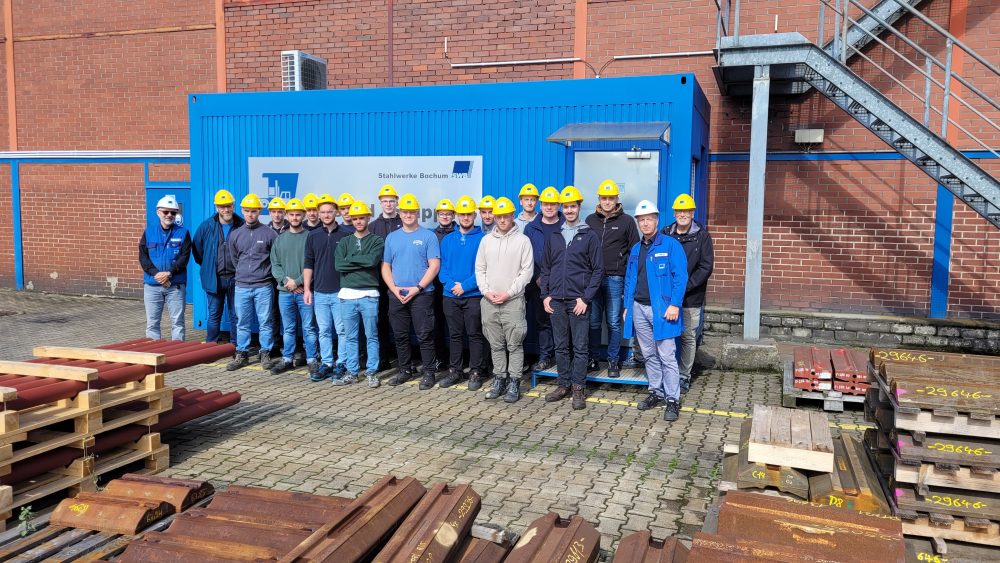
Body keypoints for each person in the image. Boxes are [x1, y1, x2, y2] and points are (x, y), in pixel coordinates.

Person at [539, 186, 603, 410]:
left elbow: (597, 270)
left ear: (578, 207)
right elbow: (546, 268)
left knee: (580, 346)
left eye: (572, 206)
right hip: (556, 299)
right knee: (560, 346)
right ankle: (563, 383)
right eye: (565, 207)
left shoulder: (589, 236)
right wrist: (545, 295)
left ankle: (578, 387)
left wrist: (585, 298)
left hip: (578, 301)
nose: (569, 210)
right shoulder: (554, 236)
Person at [624, 200, 688, 422]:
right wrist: (626, 307)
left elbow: (681, 277)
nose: (645, 223)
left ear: (657, 220)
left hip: (662, 310)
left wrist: (675, 304)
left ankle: (672, 399)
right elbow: (630, 279)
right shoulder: (635, 248)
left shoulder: (671, 245)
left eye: (649, 219)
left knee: (667, 355)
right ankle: (656, 392)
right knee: (649, 354)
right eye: (641, 220)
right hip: (639, 308)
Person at [476, 197, 534, 403]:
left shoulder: (523, 241)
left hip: (513, 302)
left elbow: (526, 272)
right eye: (498, 216)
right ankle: (499, 378)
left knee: (514, 344)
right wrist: (486, 291)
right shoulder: (486, 241)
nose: (501, 220)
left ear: (512, 216)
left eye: (505, 216)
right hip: (489, 301)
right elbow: (480, 269)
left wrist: (509, 293)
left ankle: (514, 382)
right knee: (496, 344)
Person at [382, 193, 441, 389]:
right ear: (400, 213)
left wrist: (417, 288)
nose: (408, 215)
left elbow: (434, 266)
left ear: (418, 213)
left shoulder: (428, 236)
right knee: (400, 335)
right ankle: (404, 370)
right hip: (397, 294)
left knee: (424, 335)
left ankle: (429, 373)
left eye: (412, 212)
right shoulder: (392, 237)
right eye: (405, 212)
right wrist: (394, 289)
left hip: (422, 295)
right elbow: (385, 266)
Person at [585, 179, 640, 378]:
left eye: (611, 198)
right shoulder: (590, 220)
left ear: (617, 199)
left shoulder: (627, 222)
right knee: (593, 322)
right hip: (593, 279)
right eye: (604, 198)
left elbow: (635, 252)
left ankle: (613, 361)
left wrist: (628, 281)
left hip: (615, 279)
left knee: (614, 323)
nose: (607, 202)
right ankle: (592, 358)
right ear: (599, 199)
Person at [663, 193, 714, 393]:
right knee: (667, 335)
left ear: (692, 213)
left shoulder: (702, 236)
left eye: (686, 211)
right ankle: (667, 373)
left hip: (691, 296)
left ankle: (684, 376)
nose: (682, 214)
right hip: (668, 297)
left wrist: (685, 286)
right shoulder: (666, 233)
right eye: (679, 211)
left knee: (687, 336)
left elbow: (705, 267)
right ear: (675, 213)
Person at [438, 196, 487, 389]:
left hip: (473, 295)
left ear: (474, 215)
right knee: (455, 335)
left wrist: (465, 286)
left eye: (469, 214)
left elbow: (483, 269)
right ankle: (455, 372)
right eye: (462, 214)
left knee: (475, 335)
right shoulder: (448, 239)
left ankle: (475, 372)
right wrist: (451, 285)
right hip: (450, 296)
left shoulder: (483, 239)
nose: (465, 217)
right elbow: (442, 268)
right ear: (457, 216)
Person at [336, 201, 386, 388]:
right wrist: (360, 262)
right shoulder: (345, 241)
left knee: (371, 335)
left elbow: (372, 261)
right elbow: (338, 265)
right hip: (347, 296)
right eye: (355, 218)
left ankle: (372, 372)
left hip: (369, 295)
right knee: (350, 337)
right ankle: (352, 372)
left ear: (368, 218)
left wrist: (351, 260)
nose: (358, 221)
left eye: (361, 218)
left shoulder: (377, 240)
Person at [226, 193, 279, 370]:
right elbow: (235, 259)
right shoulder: (235, 234)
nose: (250, 214)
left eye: (254, 211)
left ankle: (265, 353)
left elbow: (274, 258)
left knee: (265, 321)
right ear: (242, 211)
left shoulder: (269, 234)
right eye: (247, 211)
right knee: (242, 322)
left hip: (263, 285)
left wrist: (262, 273)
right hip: (241, 286)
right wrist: (243, 274)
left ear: (259, 212)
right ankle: (242, 354)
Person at [303, 197, 352, 382]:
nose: (325, 215)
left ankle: (342, 363)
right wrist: (307, 289)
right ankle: (327, 363)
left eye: (329, 211)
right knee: (323, 330)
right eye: (322, 212)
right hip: (320, 292)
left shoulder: (346, 234)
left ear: (336, 212)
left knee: (342, 330)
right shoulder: (313, 235)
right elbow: (308, 263)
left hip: (341, 292)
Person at [269, 198, 319, 375]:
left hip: (305, 292)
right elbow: (275, 264)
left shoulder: (311, 238)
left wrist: (298, 282)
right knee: (288, 328)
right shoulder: (280, 239)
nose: (295, 217)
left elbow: (313, 263)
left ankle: (312, 359)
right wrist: (286, 283)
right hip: (285, 292)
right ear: (287, 216)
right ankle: (288, 358)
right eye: (292, 214)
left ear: (303, 215)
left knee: (309, 327)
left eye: (298, 214)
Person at [192, 189, 244, 344]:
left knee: (236, 314)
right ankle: (211, 345)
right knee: (214, 314)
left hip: (236, 279)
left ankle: (236, 346)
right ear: (217, 208)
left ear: (233, 206)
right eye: (222, 206)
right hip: (215, 278)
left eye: (228, 206)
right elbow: (197, 249)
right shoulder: (206, 226)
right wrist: (208, 265)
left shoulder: (241, 225)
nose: (226, 209)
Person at [139, 195, 191, 341]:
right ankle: (153, 357)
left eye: (173, 213)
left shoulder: (183, 233)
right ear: (158, 212)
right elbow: (143, 258)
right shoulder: (148, 233)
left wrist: (169, 274)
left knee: (178, 323)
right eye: (165, 212)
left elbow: (184, 258)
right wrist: (157, 275)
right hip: (152, 285)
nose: (169, 215)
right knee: (152, 323)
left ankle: (177, 356)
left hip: (175, 285)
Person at [523, 186, 563, 372]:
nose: (549, 207)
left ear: (558, 205)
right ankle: (545, 357)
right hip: (538, 284)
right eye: (546, 204)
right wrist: (538, 278)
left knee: (563, 323)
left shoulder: (566, 225)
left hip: (563, 284)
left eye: (553, 204)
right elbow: (526, 257)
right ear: (541, 205)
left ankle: (564, 358)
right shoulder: (531, 228)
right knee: (542, 323)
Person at [371, 184, 403, 369]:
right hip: (379, 282)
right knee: (380, 319)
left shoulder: (404, 223)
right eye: (385, 201)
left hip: (400, 281)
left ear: (396, 202)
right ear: (380, 203)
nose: (389, 204)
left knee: (400, 320)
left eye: (392, 201)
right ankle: (382, 357)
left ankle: (402, 359)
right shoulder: (373, 226)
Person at [432, 198, 456, 367]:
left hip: (453, 284)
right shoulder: (432, 235)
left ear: (453, 215)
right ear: (437, 215)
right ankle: (441, 358)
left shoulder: (458, 233)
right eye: (442, 214)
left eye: (448, 214)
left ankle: (458, 360)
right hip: (435, 285)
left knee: (455, 325)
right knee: (437, 323)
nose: (445, 217)